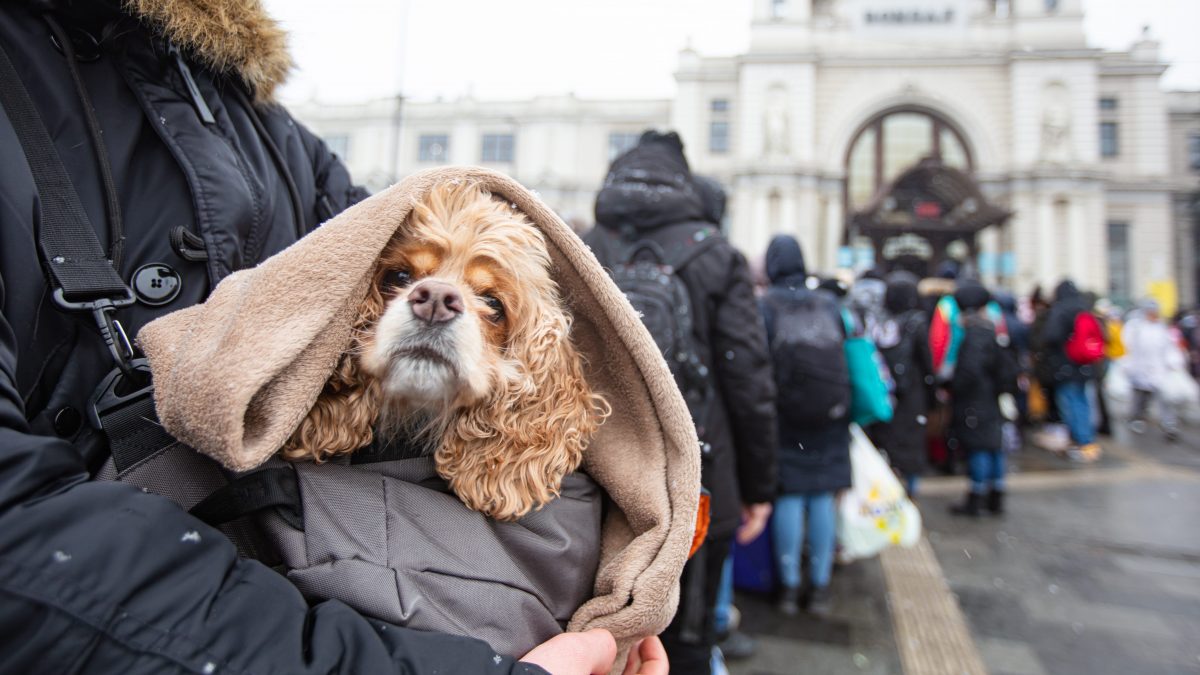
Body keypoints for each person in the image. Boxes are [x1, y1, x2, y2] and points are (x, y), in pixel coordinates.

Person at [0, 2, 648, 673]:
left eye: (488, 301)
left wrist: (623, 605)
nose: (431, 298)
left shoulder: (269, 131)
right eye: (403, 280)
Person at [586, 131, 778, 675]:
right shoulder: (716, 254)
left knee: (597, 621)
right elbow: (748, 380)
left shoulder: (583, 245)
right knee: (686, 628)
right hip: (697, 472)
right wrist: (759, 486)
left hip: (597, 466)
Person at [760, 235, 851, 618]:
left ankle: (788, 586)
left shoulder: (765, 305)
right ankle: (820, 588)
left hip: (786, 415)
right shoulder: (829, 303)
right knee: (822, 496)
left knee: (790, 497)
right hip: (831, 415)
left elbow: (758, 363)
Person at [948, 282, 1019, 516]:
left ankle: (976, 497)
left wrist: (955, 387)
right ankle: (995, 495)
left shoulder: (975, 335)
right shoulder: (992, 330)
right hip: (989, 399)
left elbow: (968, 371)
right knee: (993, 446)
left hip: (974, 401)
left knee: (979, 447)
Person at [872, 272, 934, 496]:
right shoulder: (917, 321)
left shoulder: (878, 320)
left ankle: (887, 492)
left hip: (885, 390)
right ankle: (910, 493)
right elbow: (926, 361)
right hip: (912, 392)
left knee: (886, 444)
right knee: (911, 444)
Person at [1041, 280, 1102, 462]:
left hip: (1066, 365)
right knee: (1083, 402)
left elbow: (1051, 336)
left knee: (1070, 403)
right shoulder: (1084, 308)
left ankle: (1081, 441)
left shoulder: (1061, 310)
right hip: (1084, 364)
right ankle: (1088, 441)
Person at [1122, 299, 1183, 440]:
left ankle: (1169, 424)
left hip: (1159, 369)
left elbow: (1169, 348)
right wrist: (1128, 364)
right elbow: (1128, 347)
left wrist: (1174, 362)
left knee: (1164, 397)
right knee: (1140, 396)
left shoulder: (1161, 329)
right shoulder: (1136, 328)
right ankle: (1137, 418)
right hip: (1140, 368)